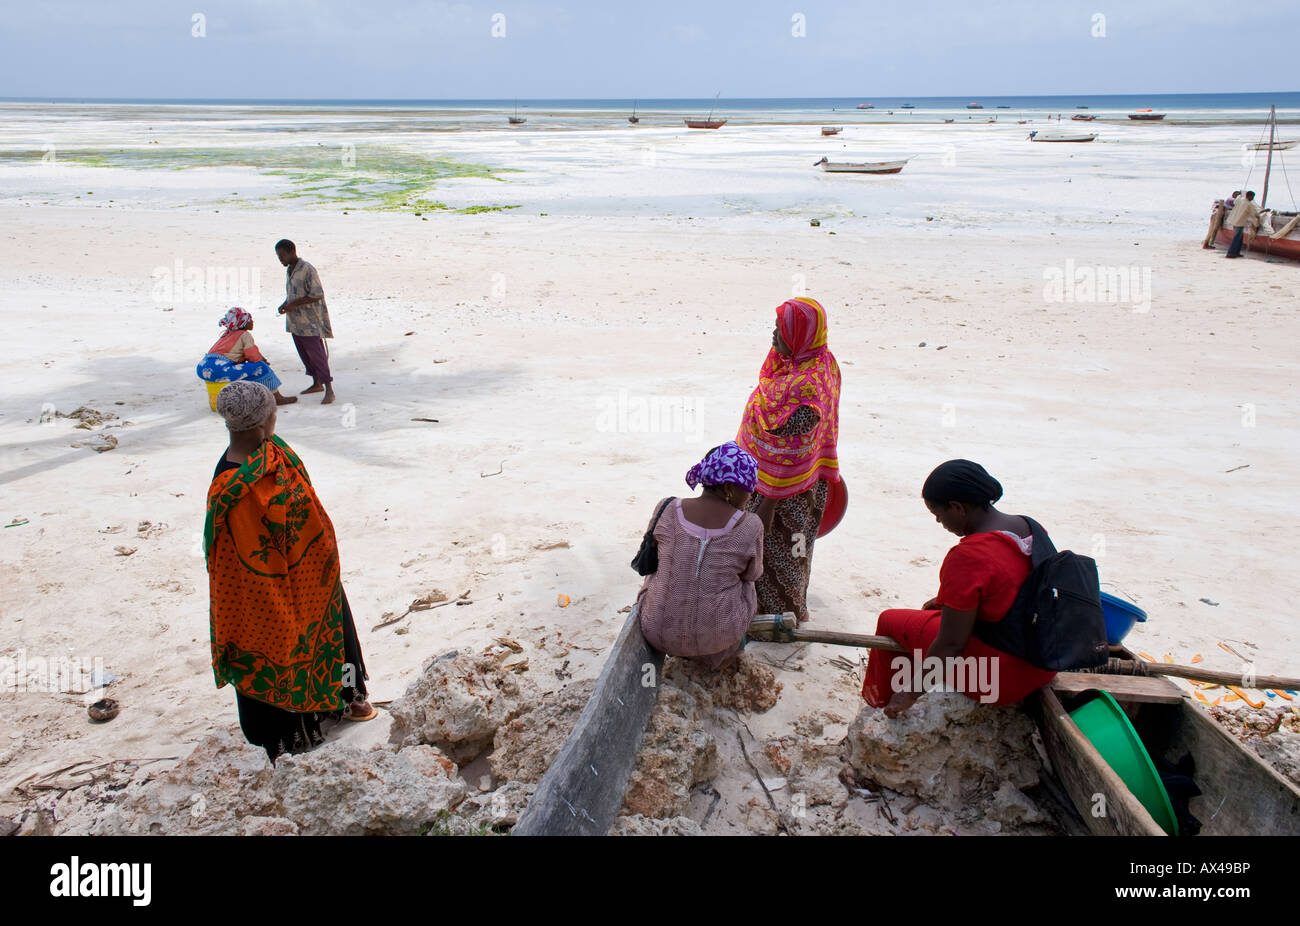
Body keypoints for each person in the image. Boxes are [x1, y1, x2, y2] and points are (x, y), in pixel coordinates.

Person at [204, 381, 374, 760]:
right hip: (262, 586)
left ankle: (346, 698)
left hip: (310, 570)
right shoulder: (231, 486)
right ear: (265, 422)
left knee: (333, 630)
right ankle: (286, 735)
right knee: (271, 643)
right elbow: (235, 552)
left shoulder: (271, 455)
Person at [861, 460, 1057, 717]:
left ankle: (882, 702)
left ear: (957, 508)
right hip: (1044, 662)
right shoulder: (1030, 526)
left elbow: (952, 644)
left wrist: (911, 693)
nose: (938, 521)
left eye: (938, 514)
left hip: (1001, 680)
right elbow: (1010, 587)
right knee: (938, 614)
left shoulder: (969, 554)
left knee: (890, 620)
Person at [736, 297, 841, 625]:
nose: (773, 334)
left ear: (802, 337)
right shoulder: (805, 362)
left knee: (780, 554)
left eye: (782, 329)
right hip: (766, 478)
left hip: (788, 490)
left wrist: (767, 502)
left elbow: (790, 453)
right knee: (768, 550)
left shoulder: (808, 390)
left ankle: (778, 619)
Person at [637, 442, 764, 669]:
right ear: (729, 488)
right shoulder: (751, 525)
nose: (750, 497)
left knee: (663, 569)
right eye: (748, 490)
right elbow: (753, 574)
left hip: (656, 632)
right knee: (748, 584)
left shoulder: (666, 508)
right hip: (717, 640)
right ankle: (719, 656)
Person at [274, 238, 335, 404]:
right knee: (305, 355)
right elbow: (293, 293)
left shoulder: (307, 269)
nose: (281, 260)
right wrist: (285, 304)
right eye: (278, 257)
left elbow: (317, 294)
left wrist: (294, 304)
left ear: (292, 252)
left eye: (282, 256)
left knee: (317, 355)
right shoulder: (290, 270)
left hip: (310, 322)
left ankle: (329, 388)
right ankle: (316, 383)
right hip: (295, 323)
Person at [196, 307, 297, 405]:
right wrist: (262, 360)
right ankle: (277, 397)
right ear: (243, 322)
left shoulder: (226, 334)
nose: (252, 322)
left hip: (202, 367)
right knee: (261, 367)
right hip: (220, 369)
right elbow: (252, 355)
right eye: (250, 320)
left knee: (245, 369)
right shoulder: (244, 334)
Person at [1224, 190, 1260, 259]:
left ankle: (1237, 252)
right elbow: (1254, 213)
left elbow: (1235, 201)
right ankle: (1231, 253)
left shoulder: (1240, 199)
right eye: (1252, 197)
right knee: (1237, 238)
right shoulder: (1249, 204)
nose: (1252, 199)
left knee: (1240, 238)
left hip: (1234, 221)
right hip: (1240, 223)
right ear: (1249, 196)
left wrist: (1240, 194)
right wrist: (1263, 211)